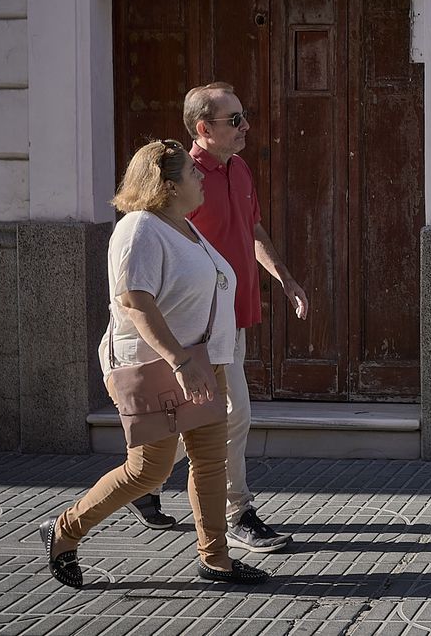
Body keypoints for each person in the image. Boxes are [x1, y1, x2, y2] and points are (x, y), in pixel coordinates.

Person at [42, 140, 268, 587]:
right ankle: (63, 531)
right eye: (192, 173)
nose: (201, 178)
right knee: (148, 469)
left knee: (209, 461)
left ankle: (215, 558)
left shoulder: (181, 226)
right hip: (157, 365)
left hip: (201, 361)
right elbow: (135, 301)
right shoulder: (139, 229)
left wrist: (200, 360)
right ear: (166, 184)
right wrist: (180, 361)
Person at [131, 82, 308, 552]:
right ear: (204, 128)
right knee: (232, 415)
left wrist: (284, 278)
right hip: (194, 322)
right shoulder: (181, 180)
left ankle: (146, 483)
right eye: (235, 120)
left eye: (244, 115)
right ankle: (237, 512)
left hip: (233, 316)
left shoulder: (240, 168)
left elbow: (251, 228)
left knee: (197, 417)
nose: (246, 126)